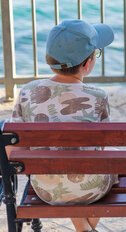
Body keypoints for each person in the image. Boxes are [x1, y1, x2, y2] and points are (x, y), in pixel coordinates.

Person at [7, 19, 118, 232]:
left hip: (46, 190)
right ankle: (83, 226)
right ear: (87, 64)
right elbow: (103, 147)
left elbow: (15, 152)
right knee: (114, 158)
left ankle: (81, 226)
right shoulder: (98, 97)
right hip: (92, 189)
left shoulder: (28, 93)